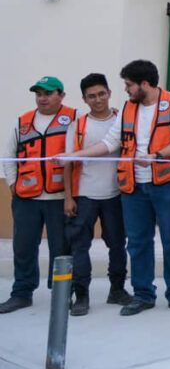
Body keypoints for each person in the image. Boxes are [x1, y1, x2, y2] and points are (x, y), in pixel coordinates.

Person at [70, 60, 170, 316]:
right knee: (138, 242)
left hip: (167, 184)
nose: (126, 90)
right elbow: (109, 142)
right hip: (133, 186)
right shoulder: (128, 108)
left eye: (129, 85)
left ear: (144, 84)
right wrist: (74, 156)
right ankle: (143, 295)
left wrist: (156, 155)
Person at [0, 76, 75, 314]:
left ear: (61, 96)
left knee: (61, 248)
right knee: (23, 247)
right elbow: (9, 155)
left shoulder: (74, 119)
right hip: (27, 199)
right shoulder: (22, 122)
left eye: (48, 93)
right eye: (39, 93)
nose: (42, 98)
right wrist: (12, 184)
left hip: (59, 198)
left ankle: (61, 294)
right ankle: (22, 293)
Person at [64, 73, 131, 316]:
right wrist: (69, 197)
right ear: (84, 99)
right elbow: (68, 162)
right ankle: (81, 295)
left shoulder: (122, 120)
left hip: (116, 194)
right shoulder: (78, 125)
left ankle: (117, 290)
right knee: (79, 247)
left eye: (102, 93)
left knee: (117, 245)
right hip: (85, 196)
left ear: (110, 93)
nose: (98, 99)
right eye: (91, 96)